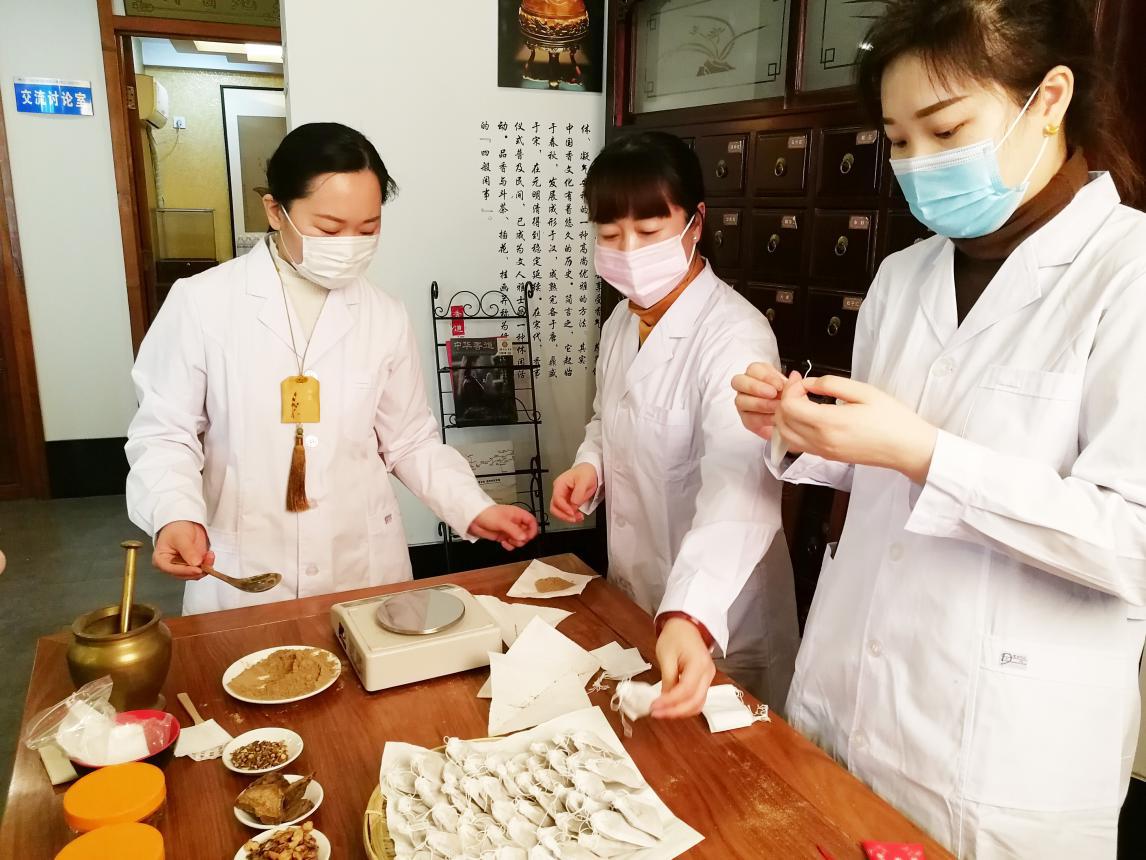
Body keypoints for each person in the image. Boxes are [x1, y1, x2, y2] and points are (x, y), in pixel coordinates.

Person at [732, 1, 1146, 856]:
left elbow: (1131, 540)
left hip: (1001, 748)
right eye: (898, 140)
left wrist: (927, 455)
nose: (918, 164)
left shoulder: (1127, 274)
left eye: (946, 129)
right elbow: (880, 463)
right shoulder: (903, 274)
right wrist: (803, 428)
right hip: (847, 694)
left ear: (1049, 99)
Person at [127, 123, 537, 614]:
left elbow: (409, 440)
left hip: (362, 563)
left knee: (372, 658)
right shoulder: (203, 303)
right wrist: (174, 513)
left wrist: (472, 507)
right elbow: (165, 432)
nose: (349, 244)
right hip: (245, 567)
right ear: (275, 211)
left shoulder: (384, 314)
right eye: (328, 228)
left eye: (368, 229)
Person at [552, 132, 799, 717]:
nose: (629, 252)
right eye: (610, 236)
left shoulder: (733, 336)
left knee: (722, 756)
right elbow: (609, 415)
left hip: (721, 611)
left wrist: (691, 611)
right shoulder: (623, 321)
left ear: (696, 223)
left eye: (648, 231)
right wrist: (591, 465)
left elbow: (740, 489)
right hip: (637, 589)